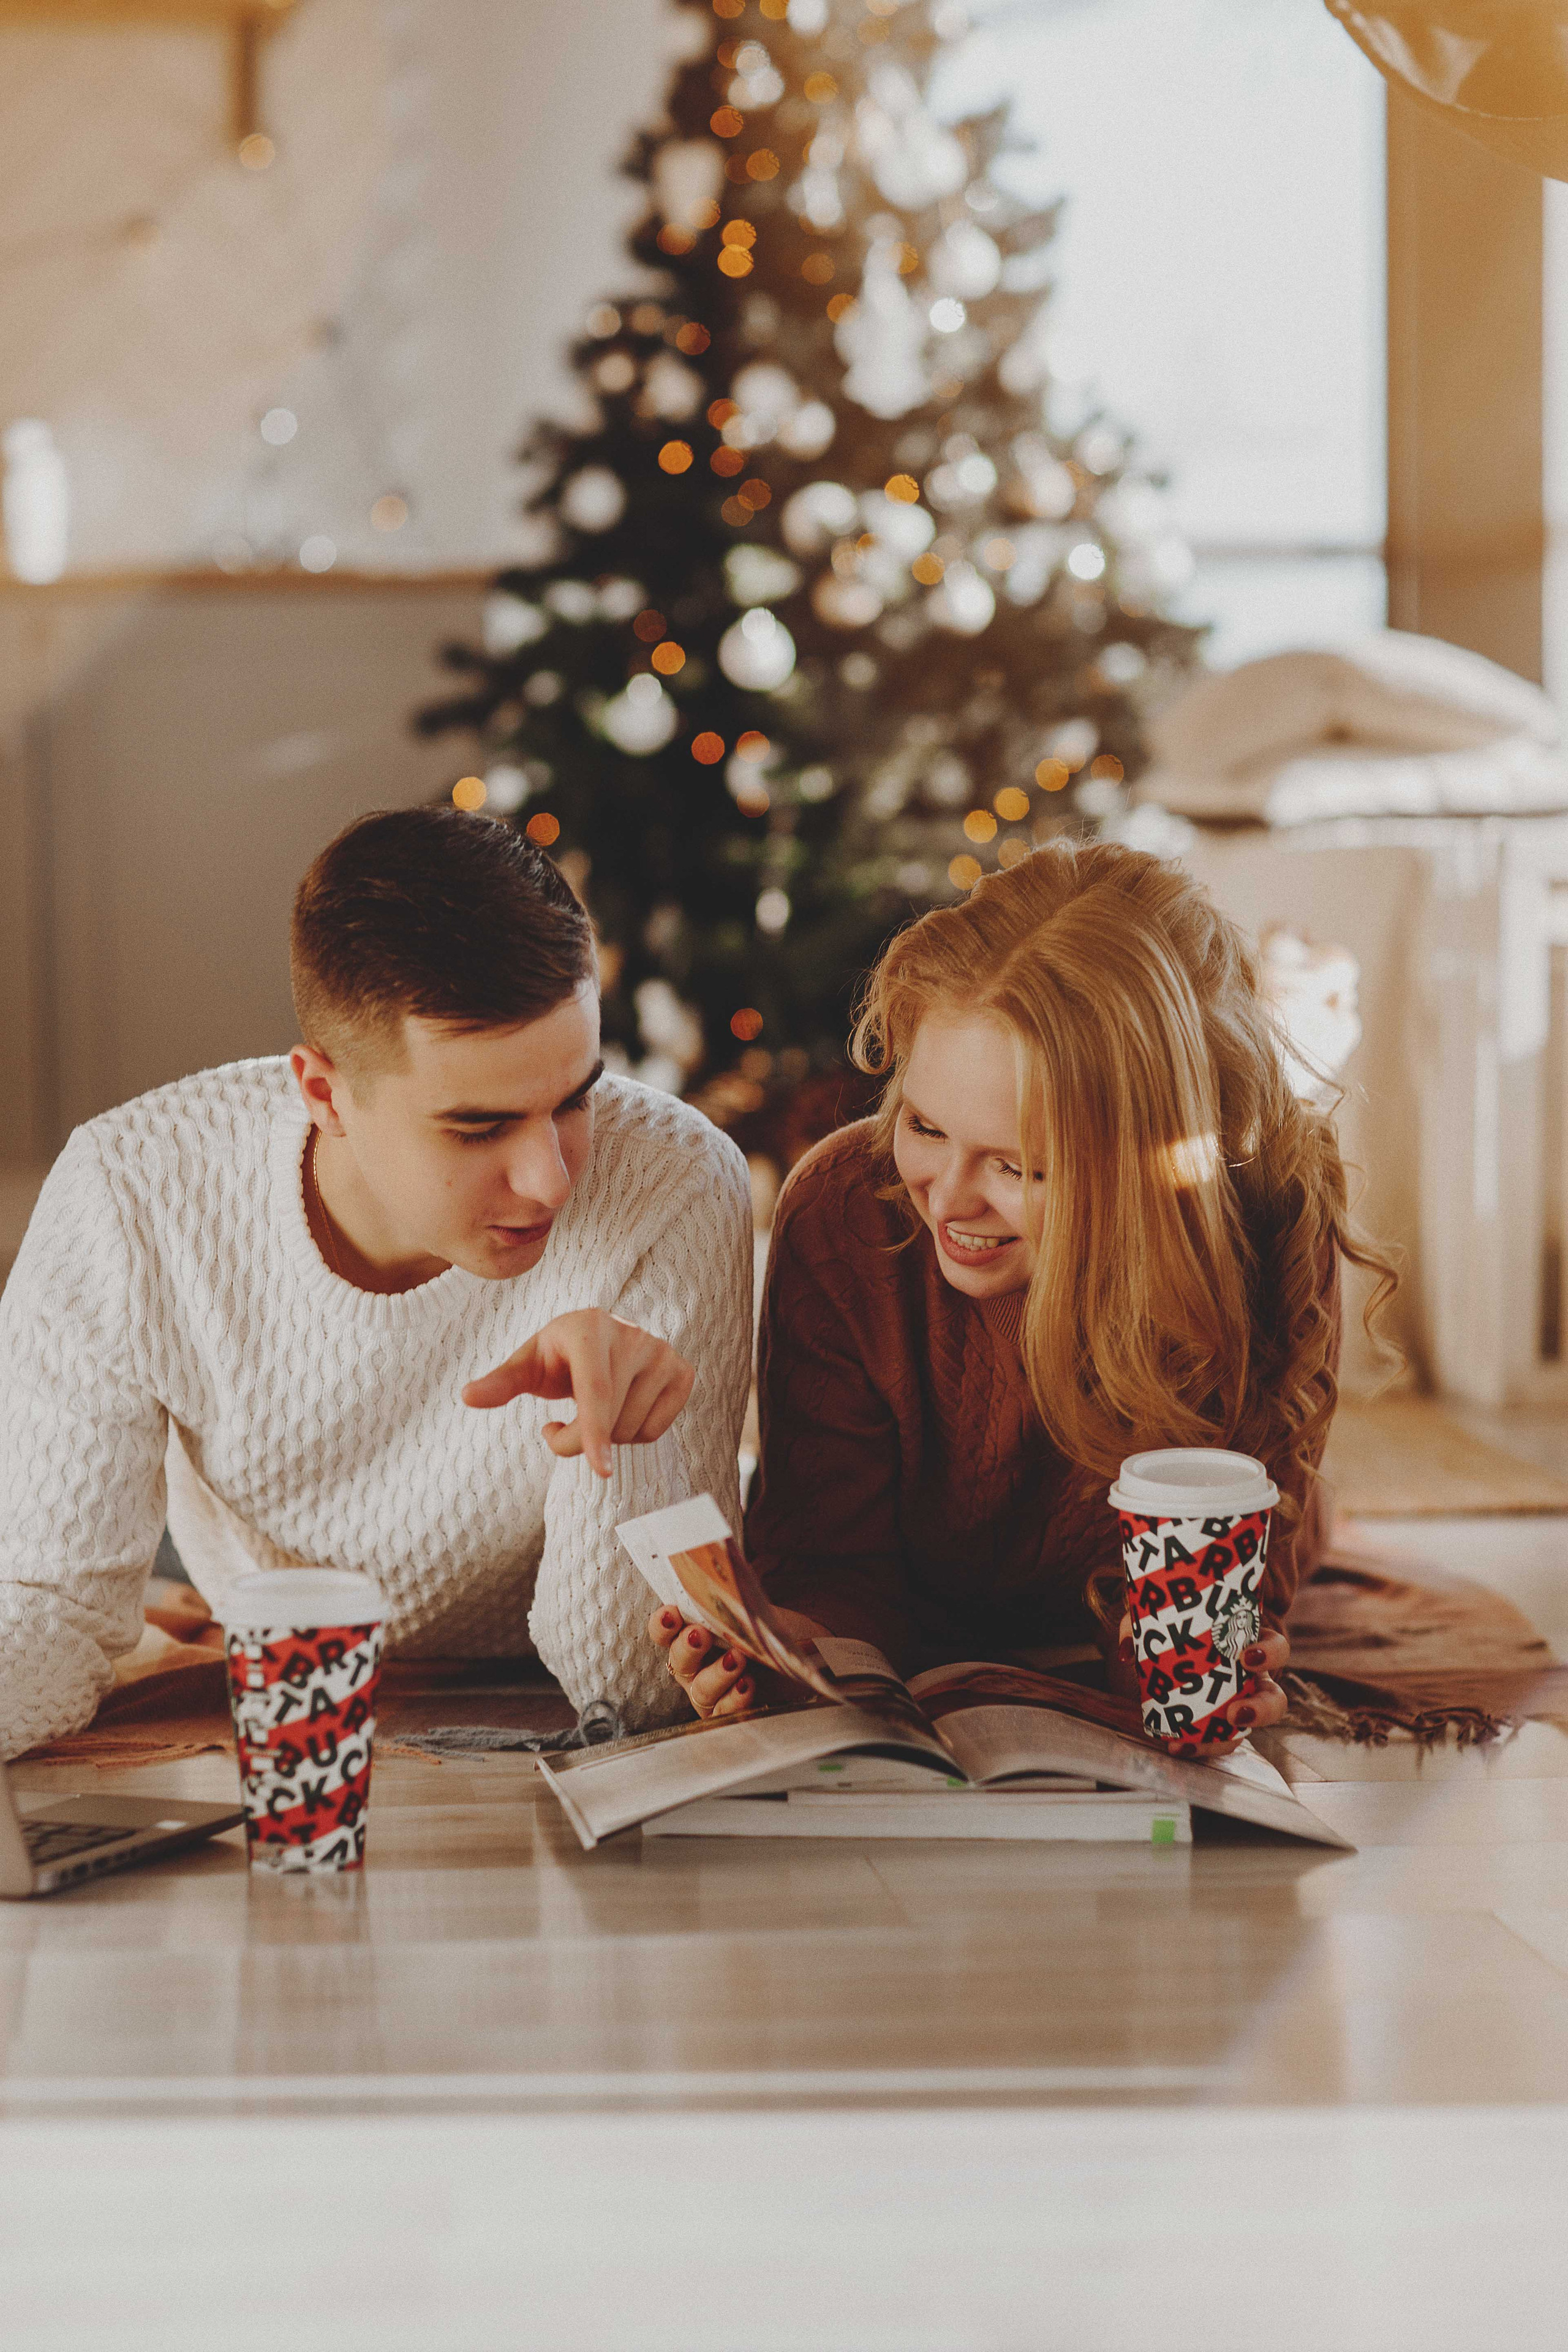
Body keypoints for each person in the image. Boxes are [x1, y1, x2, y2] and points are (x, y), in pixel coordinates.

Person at [0, 807, 752, 1758]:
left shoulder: (677, 1183)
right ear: (324, 1094)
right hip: (290, 1698)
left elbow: (634, 1694)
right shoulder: (131, 1196)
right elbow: (48, 1609)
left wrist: (623, 1443)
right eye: (479, 1127)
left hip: (548, 1723)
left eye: (575, 1098)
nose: (553, 1181)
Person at [653, 840, 1393, 1751]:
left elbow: (1221, 1592)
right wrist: (791, 1651)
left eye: (1020, 1165)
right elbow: (827, 1559)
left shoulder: (1269, 1219)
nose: (948, 1198)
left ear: (1154, 1163)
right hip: (922, 1580)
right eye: (925, 1124)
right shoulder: (849, 1209)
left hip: (1153, 1557)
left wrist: (1188, 1661)